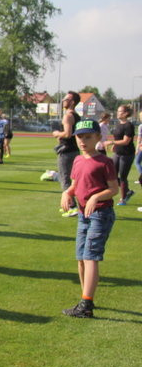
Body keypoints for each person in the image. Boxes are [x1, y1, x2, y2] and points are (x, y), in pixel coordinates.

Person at [60, 119, 118, 318]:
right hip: (83, 215)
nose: (83, 141)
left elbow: (114, 189)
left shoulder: (105, 162)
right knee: (81, 258)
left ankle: (86, 304)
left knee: (90, 256)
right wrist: (67, 193)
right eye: (79, 137)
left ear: (98, 138)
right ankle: (85, 297)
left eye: (88, 137)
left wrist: (96, 196)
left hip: (100, 214)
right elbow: (75, 185)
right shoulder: (77, 160)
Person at [52, 91, 81, 217]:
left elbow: (68, 133)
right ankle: (69, 205)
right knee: (72, 179)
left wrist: (57, 133)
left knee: (65, 179)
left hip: (67, 150)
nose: (63, 100)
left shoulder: (68, 115)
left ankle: (72, 206)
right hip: (74, 150)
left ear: (72, 102)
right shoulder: (76, 115)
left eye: (66, 99)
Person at [103, 104, 135, 205]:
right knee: (112, 174)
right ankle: (128, 191)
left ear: (125, 114)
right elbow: (117, 138)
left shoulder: (129, 125)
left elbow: (126, 141)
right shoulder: (118, 124)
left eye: (120, 111)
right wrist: (115, 146)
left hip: (126, 154)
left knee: (123, 176)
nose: (118, 113)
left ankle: (123, 198)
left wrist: (111, 143)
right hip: (118, 152)